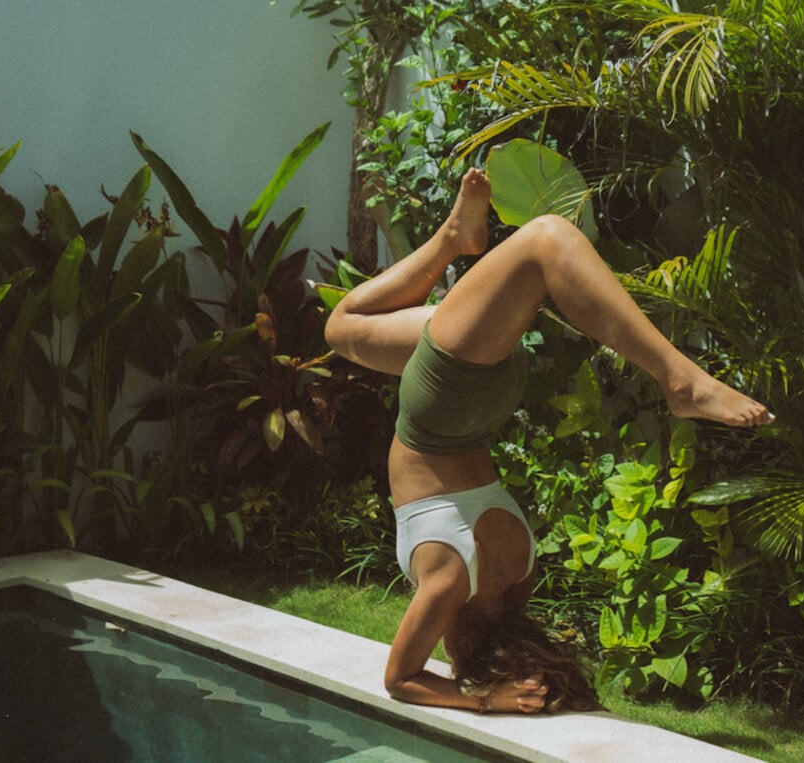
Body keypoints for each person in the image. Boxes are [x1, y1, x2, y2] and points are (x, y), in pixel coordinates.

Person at [324, 168, 773, 714]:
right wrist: (486, 698)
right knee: (544, 240)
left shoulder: (520, 572)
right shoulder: (446, 585)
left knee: (344, 328)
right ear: (466, 646)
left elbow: (484, 632)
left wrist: (513, 678)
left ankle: (453, 240)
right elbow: (402, 680)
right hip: (444, 403)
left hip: (483, 396)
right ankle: (681, 380)